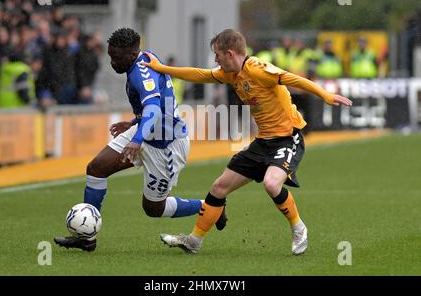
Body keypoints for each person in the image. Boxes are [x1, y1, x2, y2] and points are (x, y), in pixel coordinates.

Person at [141, 29, 353, 255]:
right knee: (218, 187)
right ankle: (194, 241)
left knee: (272, 184)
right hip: (262, 142)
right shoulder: (230, 74)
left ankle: (299, 228)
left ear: (230, 53)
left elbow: (295, 79)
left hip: (287, 138)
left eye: (217, 55)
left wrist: (325, 95)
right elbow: (199, 74)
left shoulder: (259, 69)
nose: (215, 60)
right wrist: (161, 69)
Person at [54, 28, 226, 252]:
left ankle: (211, 207)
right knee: (96, 168)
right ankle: (87, 237)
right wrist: (135, 122)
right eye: (110, 56)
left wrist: (136, 139)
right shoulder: (145, 57)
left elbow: (154, 109)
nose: (112, 62)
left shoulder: (139, 72)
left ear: (132, 54)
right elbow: (156, 106)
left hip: (166, 144)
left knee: (153, 208)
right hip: (145, 130)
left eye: (116, 58)